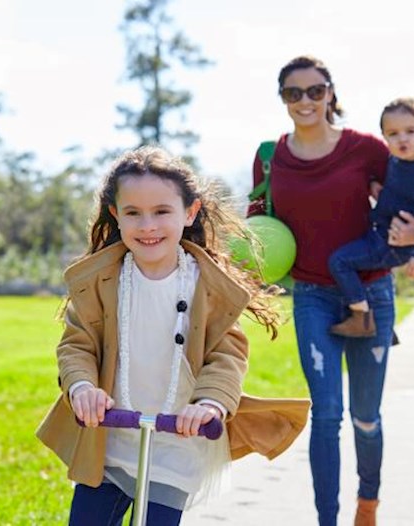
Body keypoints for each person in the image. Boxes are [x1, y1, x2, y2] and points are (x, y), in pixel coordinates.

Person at [36, 145, 310, 526]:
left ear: (190, 212)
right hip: (110, 438)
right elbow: (77, 344)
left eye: (162, 212)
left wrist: (211, 403)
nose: (148, 226)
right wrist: (82, 387)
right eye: (134, 213)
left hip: (178, 440)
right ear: (116, 215)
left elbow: (226, 356)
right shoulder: (101, 282)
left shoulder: (208, 286)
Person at [249, 56, 414, 526]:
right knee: (326, 416)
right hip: (311, 296)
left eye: (315, 90)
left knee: (366, 417)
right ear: (282, 98)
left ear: (331, 93)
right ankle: (326, 520)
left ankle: (367, 505)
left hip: (371, 294)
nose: (305, 101)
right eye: (293, 92)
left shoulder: (366, 149)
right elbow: (258, 227)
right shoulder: (271, 156)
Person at [328, 97, 414, 338]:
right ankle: (384, 325)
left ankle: (361, 317)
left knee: (339, 262)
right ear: (384, 136)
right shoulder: (395, 161)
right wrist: (374, 182)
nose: (402, 138)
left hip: (393, 245)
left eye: (411, 131)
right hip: (379, 233)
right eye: (393, 133)